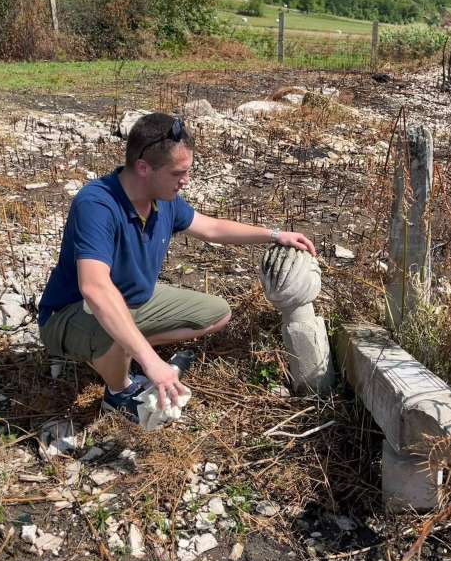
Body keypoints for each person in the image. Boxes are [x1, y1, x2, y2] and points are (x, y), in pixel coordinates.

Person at [38, 112, 315, 424]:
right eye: (178, 173)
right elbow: (95, 288)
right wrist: (152, 361)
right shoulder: (97, 204)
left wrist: (274, 234)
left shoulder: (163, 198)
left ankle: (122, 351)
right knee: (113, 326)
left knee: (216, 313)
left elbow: (211, 228)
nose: (186, 180)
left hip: (132, 302)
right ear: (143, 168)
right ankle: (118, 392)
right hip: (70, 314)